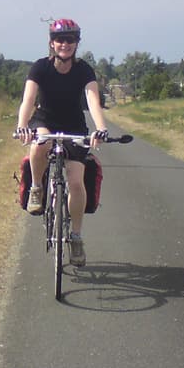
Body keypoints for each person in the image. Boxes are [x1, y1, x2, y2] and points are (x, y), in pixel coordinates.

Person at [15, 18, 111, 267]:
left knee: (76, 181)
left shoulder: (84, 70)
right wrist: (22, 125)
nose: (65, 44)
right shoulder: (40, 68)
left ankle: (76, 237)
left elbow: (92, 101)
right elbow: (28, 100)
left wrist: (100, 129)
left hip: (74, 126)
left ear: (77, 43)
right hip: (45, 119)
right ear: (51, 43)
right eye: (60, 39)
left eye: (70, 40)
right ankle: (36, 187)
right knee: (41, 143)